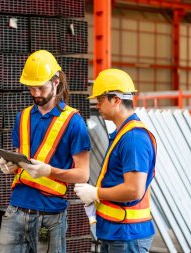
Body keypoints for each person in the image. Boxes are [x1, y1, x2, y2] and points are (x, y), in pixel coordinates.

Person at [0, 50, 91, 253]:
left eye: (41, 87)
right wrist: (9, 165)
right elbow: (20, 159)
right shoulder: (22, 117)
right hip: (16, 211)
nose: (36, 94)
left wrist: (49, 171)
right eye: (32, 88)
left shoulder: (74, 122)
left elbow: (83, 174)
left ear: (56, 81)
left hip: (50, 216)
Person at [74, 69, 157, 253]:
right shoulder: (124, 134)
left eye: (101, 100)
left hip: (127, 235)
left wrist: (96, 193)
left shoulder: (133, 138)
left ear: (116, 100)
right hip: (117, 232)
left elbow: (134, 190)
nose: (97, 105)